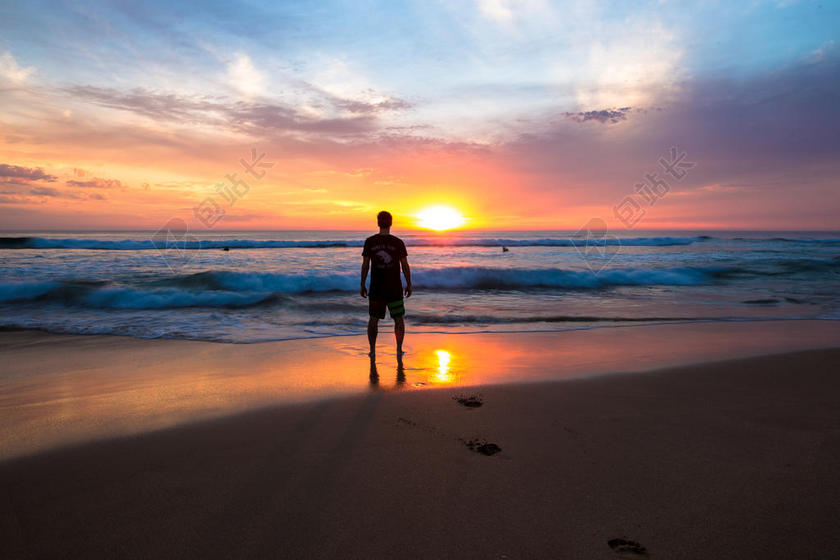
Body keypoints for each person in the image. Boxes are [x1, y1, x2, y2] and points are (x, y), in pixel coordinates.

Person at [360, 211, 412, 358]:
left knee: (373, 319)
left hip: (376, 287)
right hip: (394, 287)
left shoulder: (370, 242)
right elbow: (405, 266)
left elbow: (365, 266)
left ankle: (372, 350)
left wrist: (362, 284)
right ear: (391, 223)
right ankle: (399, 349)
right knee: (398, 319)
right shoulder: (398, 242)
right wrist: (409, 284)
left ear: (378, 223)